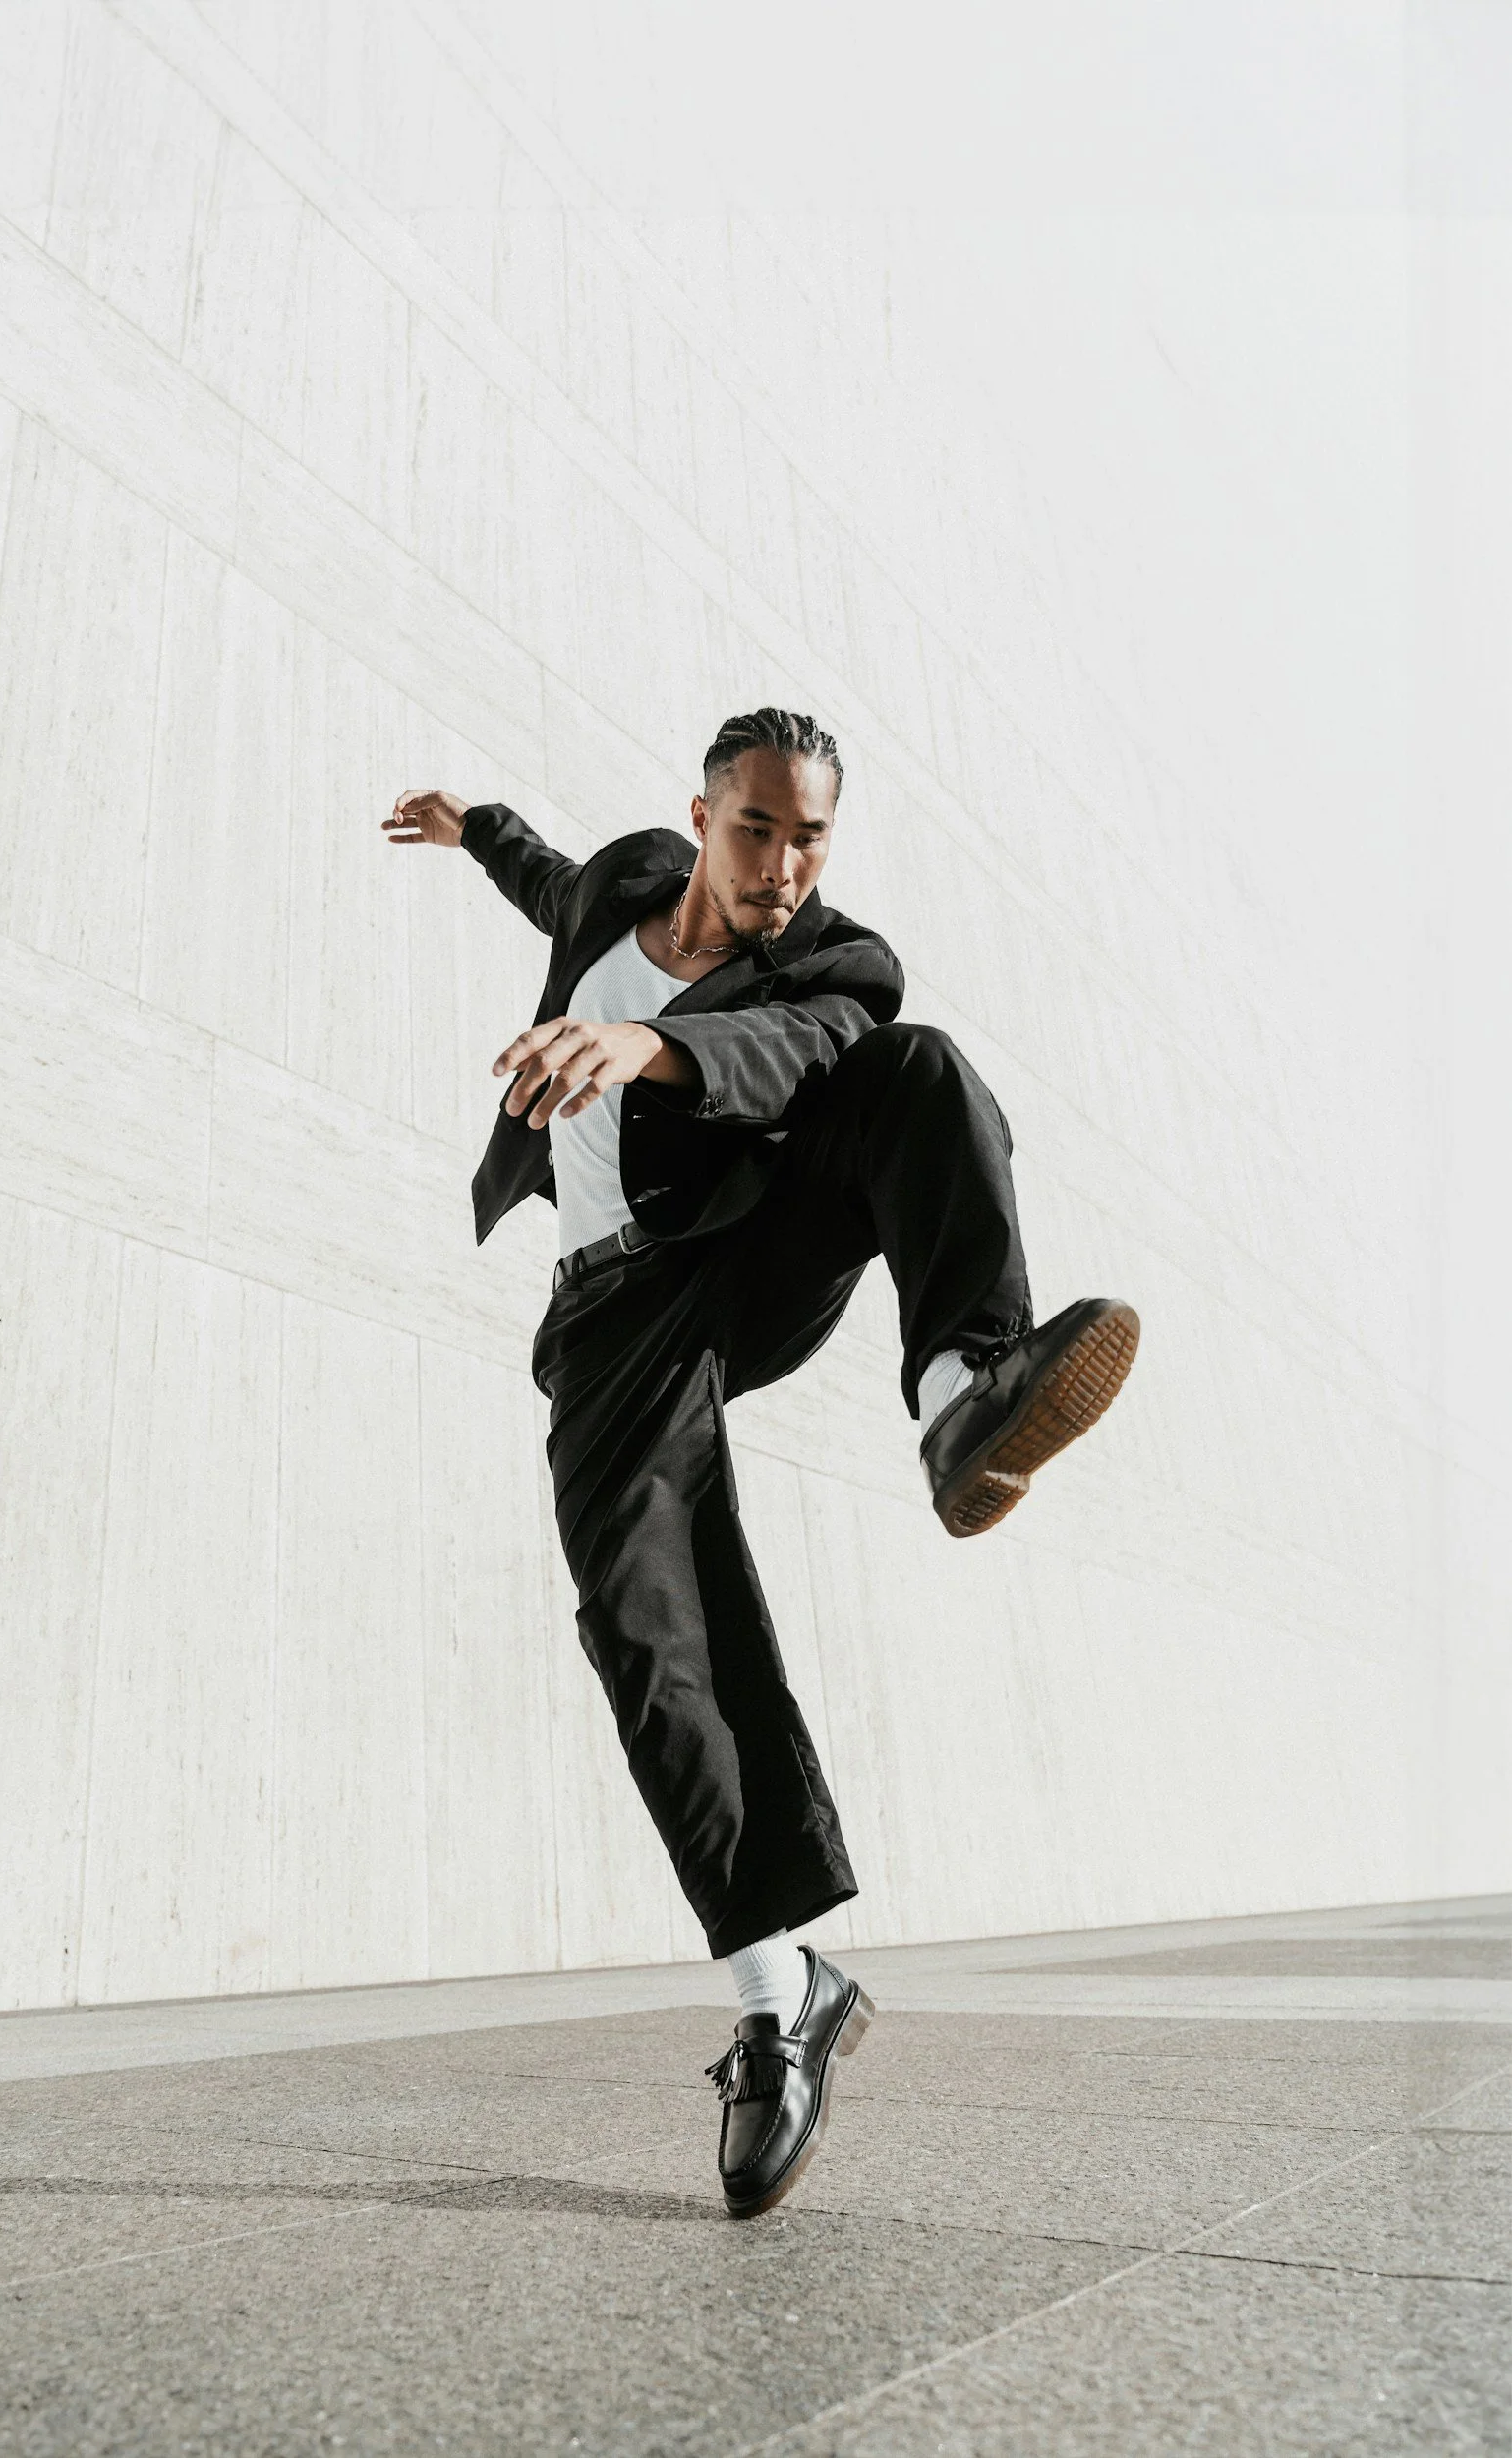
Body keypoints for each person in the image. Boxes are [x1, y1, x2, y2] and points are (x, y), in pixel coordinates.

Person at [385, 708, 1138, 2217]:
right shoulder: (622, 881)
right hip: (608, 1313)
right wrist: (471, 827)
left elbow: (796, 1044)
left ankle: (962, 1391)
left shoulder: (836, 963)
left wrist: (651, 1045)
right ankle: (778, 1993)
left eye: (810, 839)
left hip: (747, 1252)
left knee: (916, 1071)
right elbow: (553, 883)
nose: (783, 867)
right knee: (639, 1618)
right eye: (757, 830)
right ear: (700, 819)